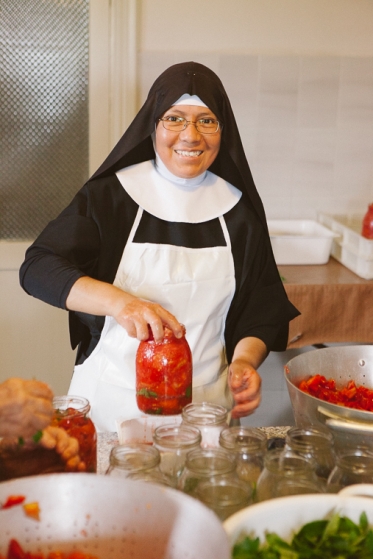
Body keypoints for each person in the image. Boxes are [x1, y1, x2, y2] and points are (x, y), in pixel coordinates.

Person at [20, 61, 299, 432]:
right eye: (175, 118)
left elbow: (261, 310)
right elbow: (38, 268)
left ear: (223, 130)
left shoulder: (239, 211)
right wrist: (121, 303)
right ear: (153, 123)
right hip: (111, 408)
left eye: (207, 121)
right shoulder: (110, 197)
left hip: (206, 415)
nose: (191, 135)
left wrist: (245, 361)